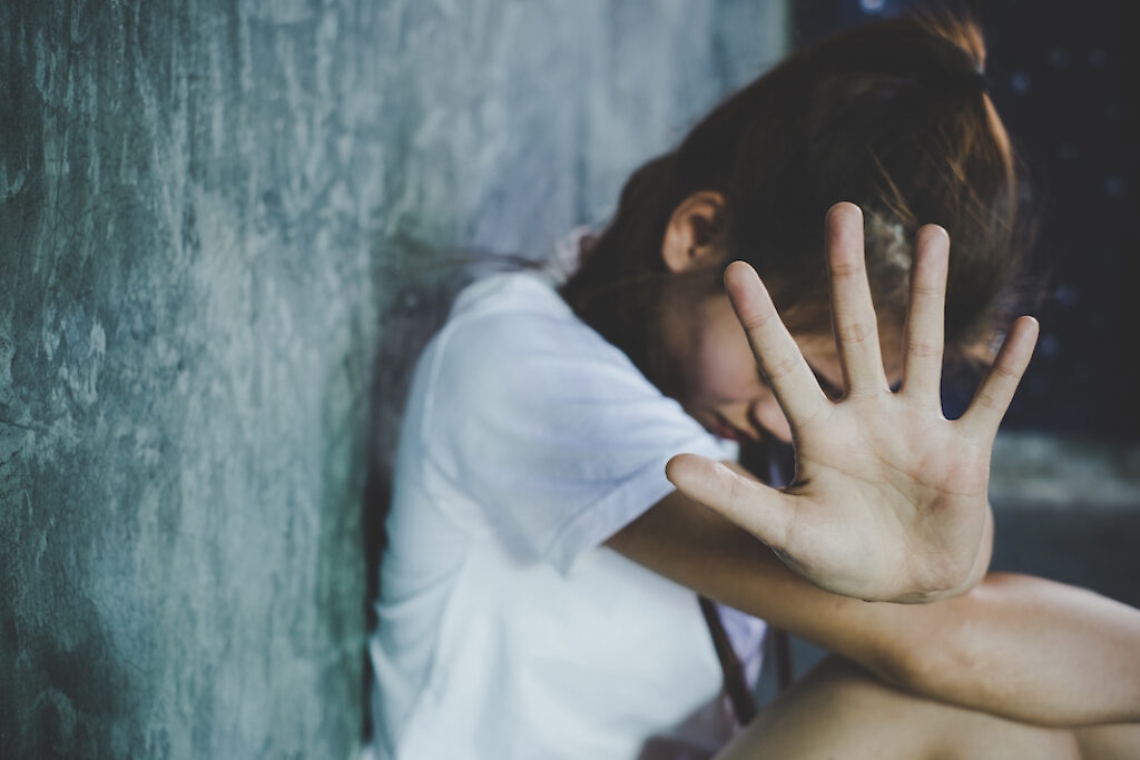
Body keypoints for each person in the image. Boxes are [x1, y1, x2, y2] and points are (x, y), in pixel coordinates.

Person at [367, 13, 1140, 759]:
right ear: (697, 233)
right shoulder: (518, 364)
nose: (790, 419)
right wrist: (948, 581)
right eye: (795, 371)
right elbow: (942, 648)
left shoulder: (693, 386)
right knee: (933, 706)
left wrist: (952, 555)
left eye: (848, 391)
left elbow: (957, 619)